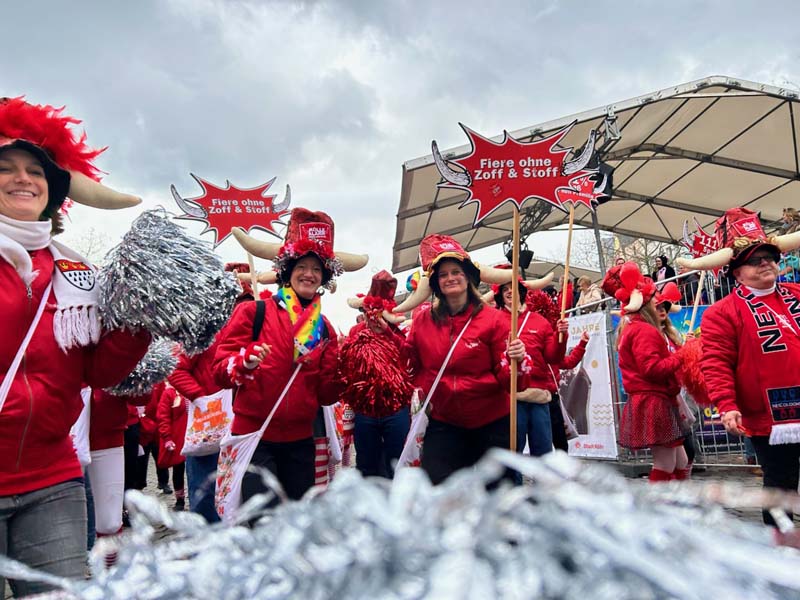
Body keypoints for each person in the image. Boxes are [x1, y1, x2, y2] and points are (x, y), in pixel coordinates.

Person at [0, 98, 149, 595]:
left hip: (52, 480)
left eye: (35, 171)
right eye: (6, 168)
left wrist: (138, 318)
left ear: (53, 189)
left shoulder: (76, 271)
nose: (24, 179)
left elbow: (100, 372)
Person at [214, 208, 367, 504]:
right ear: (287, 270)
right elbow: (219, 370)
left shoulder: (324, 329)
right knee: (262, 522)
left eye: (316, 269)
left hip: (301, 441)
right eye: (302, 266)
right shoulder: (253, 312)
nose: (309, 274)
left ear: (324, 276)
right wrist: (244, 363)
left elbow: (325, 395)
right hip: (255, 437)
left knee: (296, 525)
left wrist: (346, 371)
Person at [680, 207, 800, 528]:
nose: (765, 263)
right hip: (771, 415)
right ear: (737, 272)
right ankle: (781, 548)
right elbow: (716, 362)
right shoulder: (722, 312)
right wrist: (728, 405)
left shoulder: (796, 294)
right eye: (755, 259)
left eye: (770, 257)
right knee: (781, 485)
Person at [392, 234, 530, 485]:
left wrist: (517, 362)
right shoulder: (422, 322)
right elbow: (410, 364)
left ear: (467, 277)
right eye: (443, 275)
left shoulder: (495, 320)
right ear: (435, 283)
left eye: (456, 271)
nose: (450, 278)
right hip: (445, 424)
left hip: (493, 422)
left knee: (499, 495)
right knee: (442, 494)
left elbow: (514, 384)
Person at [167, 262, 253, 522]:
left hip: (247, 425)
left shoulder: (258, 328)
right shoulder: (205, 330)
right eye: (237, 301)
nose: (241, 308)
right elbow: (176, 368)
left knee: (244, 492)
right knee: (206, 493)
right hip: (211, 427)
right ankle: (206, 546)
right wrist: (202, 398)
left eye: (246, 302)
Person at [602, 262, 688, 483]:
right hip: (654, 400)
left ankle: (682, 505)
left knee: (680, 460)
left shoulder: (635, 328)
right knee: (666, 463)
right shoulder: (642, 330)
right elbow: (652, 370)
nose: (657, 304)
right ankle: (659, 510)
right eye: (654, 300)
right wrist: (682, 355)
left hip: (656, 399)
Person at [339, 270, 412, 479]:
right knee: (366, 466)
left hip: (396, 410)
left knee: (397, 466)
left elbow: (410, 355)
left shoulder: (399, 331)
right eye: (369, 309)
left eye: (377, 310)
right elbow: (347, 367)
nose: (372, 314)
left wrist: (388, 332)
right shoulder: (356, 332)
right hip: (365, 412)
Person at [492, 273, 566, 460]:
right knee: (512, 455)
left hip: (539, 396)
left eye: (513, 288)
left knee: (543, 453)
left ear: (521, 292)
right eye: (505, 289)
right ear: (500, 294)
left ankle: (543, 489)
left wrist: (561, 336)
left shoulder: (539, 321)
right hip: (508, 397)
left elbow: (553, 356)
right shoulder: (493, 320)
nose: (509, 291)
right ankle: (512, 488)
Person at [654, 282, 695, 480]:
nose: (662, 311)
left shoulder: (670, 334)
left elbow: (681, 361)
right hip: (661, 400)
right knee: (669, 460)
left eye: (665, 307)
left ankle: (681, 498)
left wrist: (689, 346)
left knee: (684, 457)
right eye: (658, 307)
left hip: (676, 397)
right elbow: (655, 368)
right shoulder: (648, 335)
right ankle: (663, 504)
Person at [155, 384, 187, 510]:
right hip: (178, 438)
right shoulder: (169, 393)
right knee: (178, 468)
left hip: (197, 436)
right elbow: (163, 416)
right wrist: (167, 437)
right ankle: (180, 499)